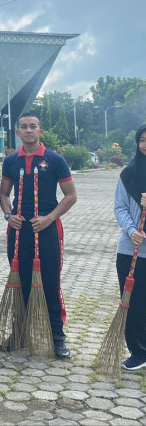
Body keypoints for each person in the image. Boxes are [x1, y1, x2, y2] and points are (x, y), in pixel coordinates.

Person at [0, 113, 77, 359]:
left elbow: (70, 196)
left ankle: (57, 338)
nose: (28, 130)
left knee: (50, 283)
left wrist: (49, 218)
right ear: (18, 132)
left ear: (40, 131)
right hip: (19, 231)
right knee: (19, 282)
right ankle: (19, 334)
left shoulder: (54, 159)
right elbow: (3, 194)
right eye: (24, 127)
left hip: (47, 231)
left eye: (33, 126)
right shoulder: (11, 161)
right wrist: (8, 214)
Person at [113, 125, 146, 370]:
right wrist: (132, 231)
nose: (145, 144)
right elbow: (120, 207)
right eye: (142, 140)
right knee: (132, 302)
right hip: (130, 249)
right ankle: (138, 350)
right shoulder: (129, 174)